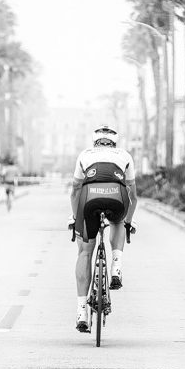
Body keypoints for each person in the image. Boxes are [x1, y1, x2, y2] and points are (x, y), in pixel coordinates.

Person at [69, 125, 138, 332]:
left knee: (84, 252)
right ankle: (116, 266)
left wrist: (76, 218)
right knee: (118, 221)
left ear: (94, 142)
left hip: (89, 198)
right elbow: (133, 196)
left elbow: (75, 190)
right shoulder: (124, 155)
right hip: (117, 196)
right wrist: (128, 221)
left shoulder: (85, 154)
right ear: (114, 143)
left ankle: (82, 311)